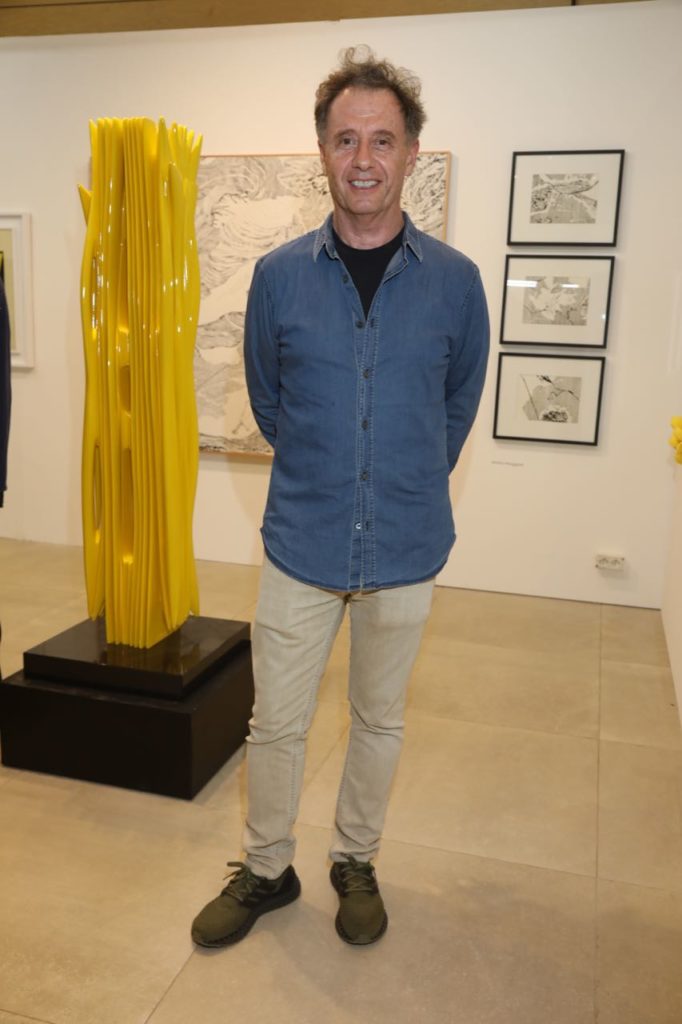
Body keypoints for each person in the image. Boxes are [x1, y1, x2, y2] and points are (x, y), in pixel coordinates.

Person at [192, 45, 489, 949]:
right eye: (345, 139)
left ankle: (355, 858)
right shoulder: (280, 277)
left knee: (379, 719)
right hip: (303, 541)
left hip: (406, 542)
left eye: (382, 140)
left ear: (411, 153)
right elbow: (269, 400)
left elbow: (456, 405)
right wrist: (331, 469)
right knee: (274, 723)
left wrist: (401, 474)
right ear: (322, 151)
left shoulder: (456, 282)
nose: (364, 159)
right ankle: (266, 868)